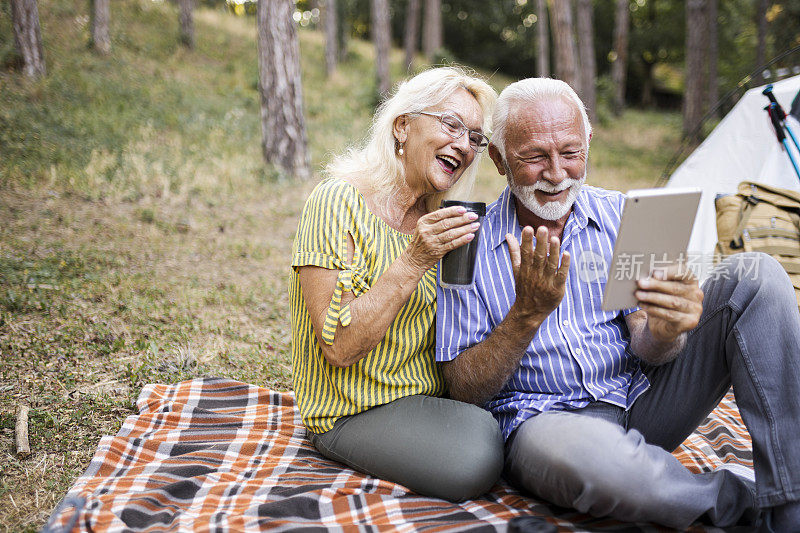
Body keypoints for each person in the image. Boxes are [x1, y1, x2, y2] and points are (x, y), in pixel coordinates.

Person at [436, 77, 800, 531]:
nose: (556, 173)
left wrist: (667, 331)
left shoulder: (628, 214)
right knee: (601, 468)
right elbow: (461, 389)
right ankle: (740, 503)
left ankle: (790, 505)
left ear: (588, 142)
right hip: (546, 424)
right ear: (499, 157)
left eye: (570, 153)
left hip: (641, 401)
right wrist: (525, 316)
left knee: (760, 277)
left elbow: (650, 347)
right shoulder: (465, 244)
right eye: (534, 157)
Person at [289, 67, 504, 502]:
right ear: (402, 126)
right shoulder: (338, 202)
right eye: (451, 125)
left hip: (427, 399)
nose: (464, 146)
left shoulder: (443, 219)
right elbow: (340, 345)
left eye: (475, 138)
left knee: (513, 426)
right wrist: (415, 260)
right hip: (350, 411)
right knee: (474, 459)